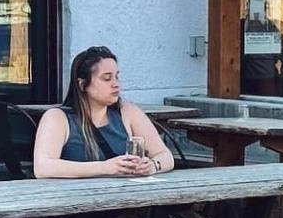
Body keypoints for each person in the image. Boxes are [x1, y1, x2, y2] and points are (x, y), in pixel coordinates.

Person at [34, 47, 176, 179]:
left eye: (116, 77)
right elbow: (43, 167)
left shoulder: (128, 112)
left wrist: (153, 166)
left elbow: (165, 156)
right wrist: (105, 167)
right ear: (82, 84)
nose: (116, 84)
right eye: (107, 78)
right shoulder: (57, 118)